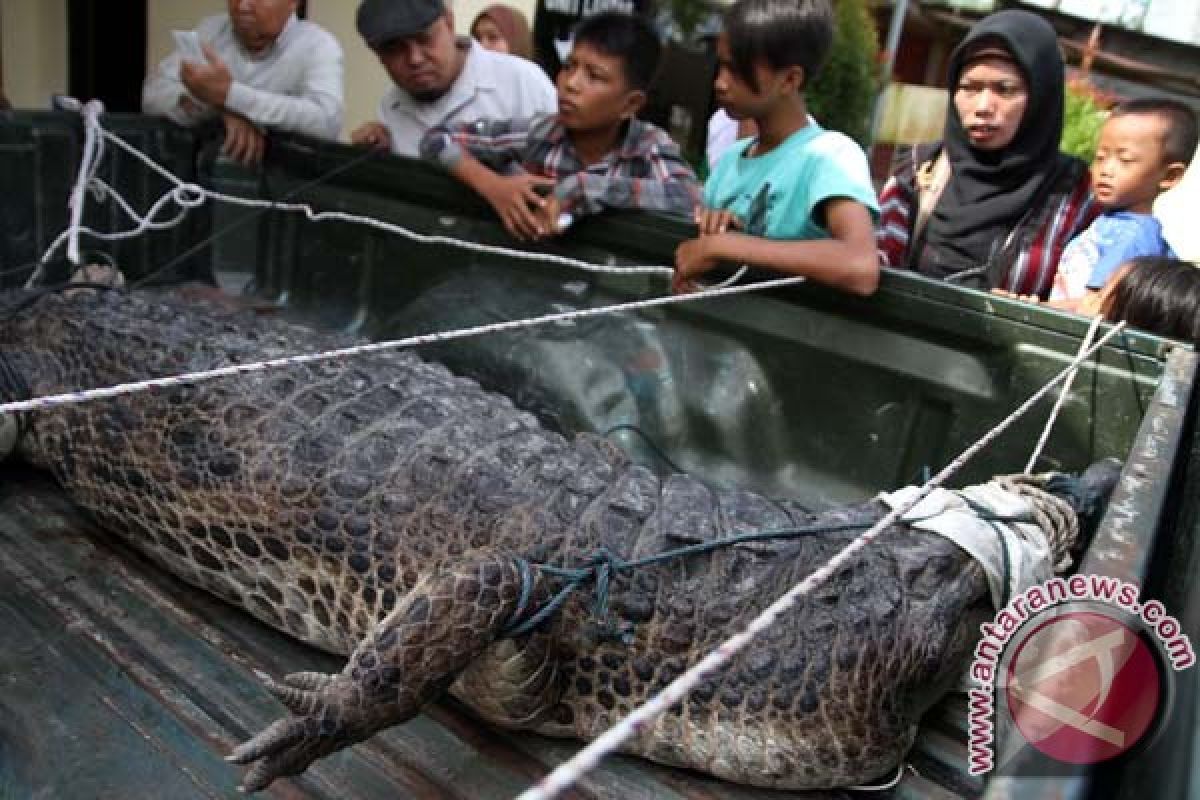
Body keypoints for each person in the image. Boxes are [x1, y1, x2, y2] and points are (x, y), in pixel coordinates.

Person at [419, 12, 701, 241]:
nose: (570, 84)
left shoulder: (647, 147)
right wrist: (493, 186)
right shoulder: (539, 133)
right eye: (569, 66)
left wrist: (586, 188)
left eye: (594, 76)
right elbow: (436, 139)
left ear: (630, 105)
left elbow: (690, 198)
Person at [876, 10, 1095, 297]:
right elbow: (876, 259)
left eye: (1004, 90)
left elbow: (1086, 303)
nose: (982, 106)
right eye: (969, 87)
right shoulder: (918, 171)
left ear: (1042, 96)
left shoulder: (1076, 194)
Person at [673, 0, 880, 296]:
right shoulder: (732, 159)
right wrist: (710, 243)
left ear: (790, 80)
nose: (720, 83)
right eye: (721, 66)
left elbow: (860, 266)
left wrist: (729, 245)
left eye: (737, 70)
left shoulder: (830, 156)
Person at [142, 0, 344, 165]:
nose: (242, 6)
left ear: (293, 3)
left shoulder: (317, 45)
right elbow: (152, 96)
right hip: (204, 180)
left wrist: (232, 95)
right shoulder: (211, 30)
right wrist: (219, 108)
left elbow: (325, 122)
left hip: (285, 189)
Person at [351, 0, 556, 158]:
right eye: (396, 49)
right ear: (378, 54)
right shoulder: (391, 107)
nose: (415, 59)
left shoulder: (523, 83)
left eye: (424, 39)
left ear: (449, 23)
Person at [1049, 98, 1196, 306]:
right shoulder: (1112, 222)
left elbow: (1096, 305)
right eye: (1100, 157)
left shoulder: (1133, 235)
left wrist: (1029, 308)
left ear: (1169, 176)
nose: (1106, 170)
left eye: (1125, 160)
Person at [470, 4, 534, 60]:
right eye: (477, 39)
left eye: (493, 37)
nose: (481, 46)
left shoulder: (531, 73)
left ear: (516, 42)